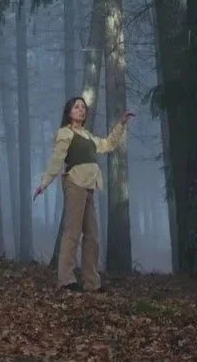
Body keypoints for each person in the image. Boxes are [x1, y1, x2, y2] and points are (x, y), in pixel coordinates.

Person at [34, 97, 133, 292]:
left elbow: (108, 144)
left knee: (92, 236)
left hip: (89, 187)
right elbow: (56, 160)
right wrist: (44, 183)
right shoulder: (65, 133)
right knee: (72, 232)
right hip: (74, 183)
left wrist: (121, 124)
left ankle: (91, 282)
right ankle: (66, 279)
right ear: (69, 112)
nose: (81, 109)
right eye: (76, 107)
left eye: (83, 107)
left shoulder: (88, 136)